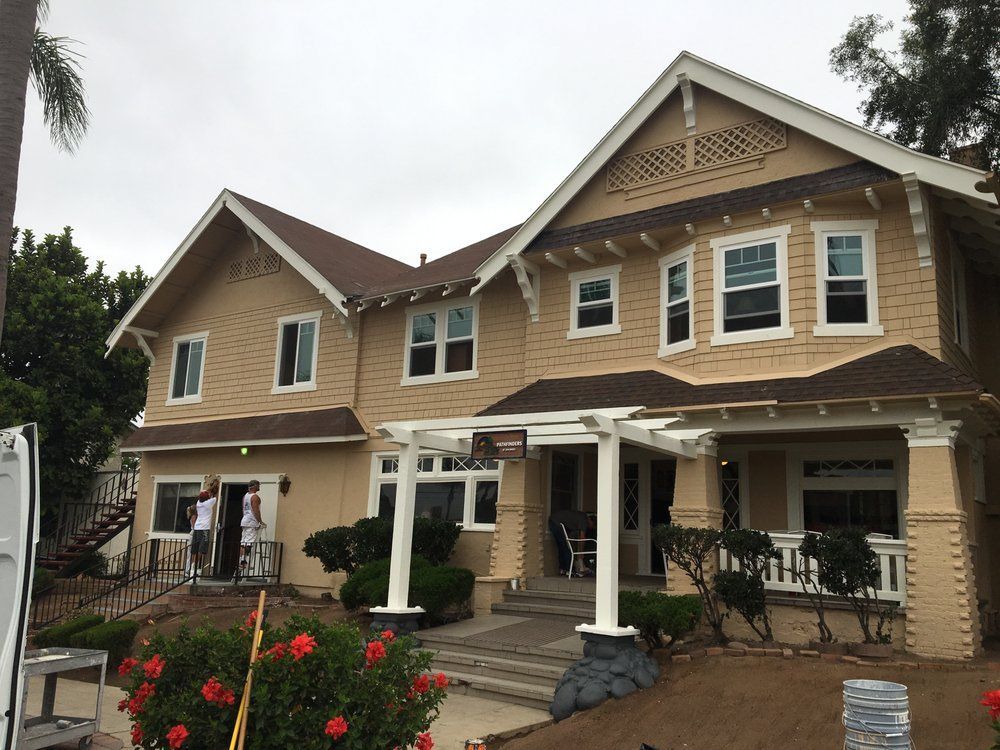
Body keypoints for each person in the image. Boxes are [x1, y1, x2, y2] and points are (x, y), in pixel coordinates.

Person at [548, 508, 595, 577]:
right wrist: (580, 554)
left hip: (553, 521)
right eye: (593, 525)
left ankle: (562, 569)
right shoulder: (584, 520)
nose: (590, 527)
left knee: (562, 547)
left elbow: (574, 537)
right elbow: (582, 539)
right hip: (557, 523)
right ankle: (569, 570)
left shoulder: (579, 517)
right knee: (566, 548)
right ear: (590, 520)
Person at [190, 481, 218, 576]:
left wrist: (210, 486)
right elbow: (214, 495)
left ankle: (193, 565)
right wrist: (213, 486)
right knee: (202, 549)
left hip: (197, 528)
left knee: (195, 548)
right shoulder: (209, 503)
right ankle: (196, 565)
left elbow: (206, 492)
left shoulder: (199, 503)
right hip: (204, 528)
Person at [238, 479, 266, 576]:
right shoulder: (255, 497)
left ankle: (241, 560)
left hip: (245, 520)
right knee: (249, 543)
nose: (259, 487)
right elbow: (255, 510)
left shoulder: (245, 496)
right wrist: (260, 521)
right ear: (254, 486)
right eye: (258, 485)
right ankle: (244, 563)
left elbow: (243, 509)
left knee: (243, 541)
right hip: (251, 522)